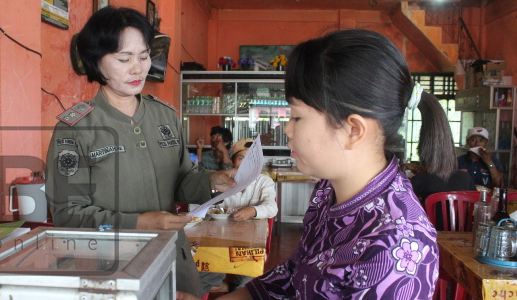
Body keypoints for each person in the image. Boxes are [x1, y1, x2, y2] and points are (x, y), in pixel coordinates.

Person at [178, 29, 443, 300]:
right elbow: (295, 275)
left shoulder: (394, 248)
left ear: (353, 130)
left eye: (297, 117)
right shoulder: (329, 191)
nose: (287, 129)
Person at [44, 7, 234, 298]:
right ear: (96, 61)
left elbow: (182, 180)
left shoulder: (165, 117)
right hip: (112, 271)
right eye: (124, 59)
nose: (138, 68)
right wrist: (139, 223)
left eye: (144, 56)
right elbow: (69, 216)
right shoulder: (77, 128)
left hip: (174, 261)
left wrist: (212, 181)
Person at [200, 138, 278, 294]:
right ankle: (219, 284)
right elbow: (212, 207)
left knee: (245, 282)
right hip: (221, 236)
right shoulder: (223, 181)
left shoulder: (264, 182)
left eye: (252, 160)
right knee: (208, 266)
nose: (247, 164)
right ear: (231, 160)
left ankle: (234, 288)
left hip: (249, 242)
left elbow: (272, 207)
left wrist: (252, 210)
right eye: (241, 158)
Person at [407, 93, 476, 230]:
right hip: (463, 238)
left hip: (430, 237)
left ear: (423, 152)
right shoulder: (465, 177)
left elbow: (409, 213)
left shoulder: (419, 180)